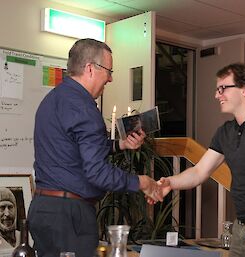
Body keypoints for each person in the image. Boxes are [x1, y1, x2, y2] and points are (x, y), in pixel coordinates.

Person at [28, 38, 163, 257]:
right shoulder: (84, 108)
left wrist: (120, 144)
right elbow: (97, 172)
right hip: (70, 217)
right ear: (90, 68)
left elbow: (73, 148)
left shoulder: (52, 99)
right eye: (108, 71)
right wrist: (141, 182)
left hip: (43, 209)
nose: (110, 79)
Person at [154, 63, 245, 257]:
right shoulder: (225, 132)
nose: (217, 95)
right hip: (241, 231)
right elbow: (199, 172)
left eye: (223, 88)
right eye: (217, 89)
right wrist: (170, 182)